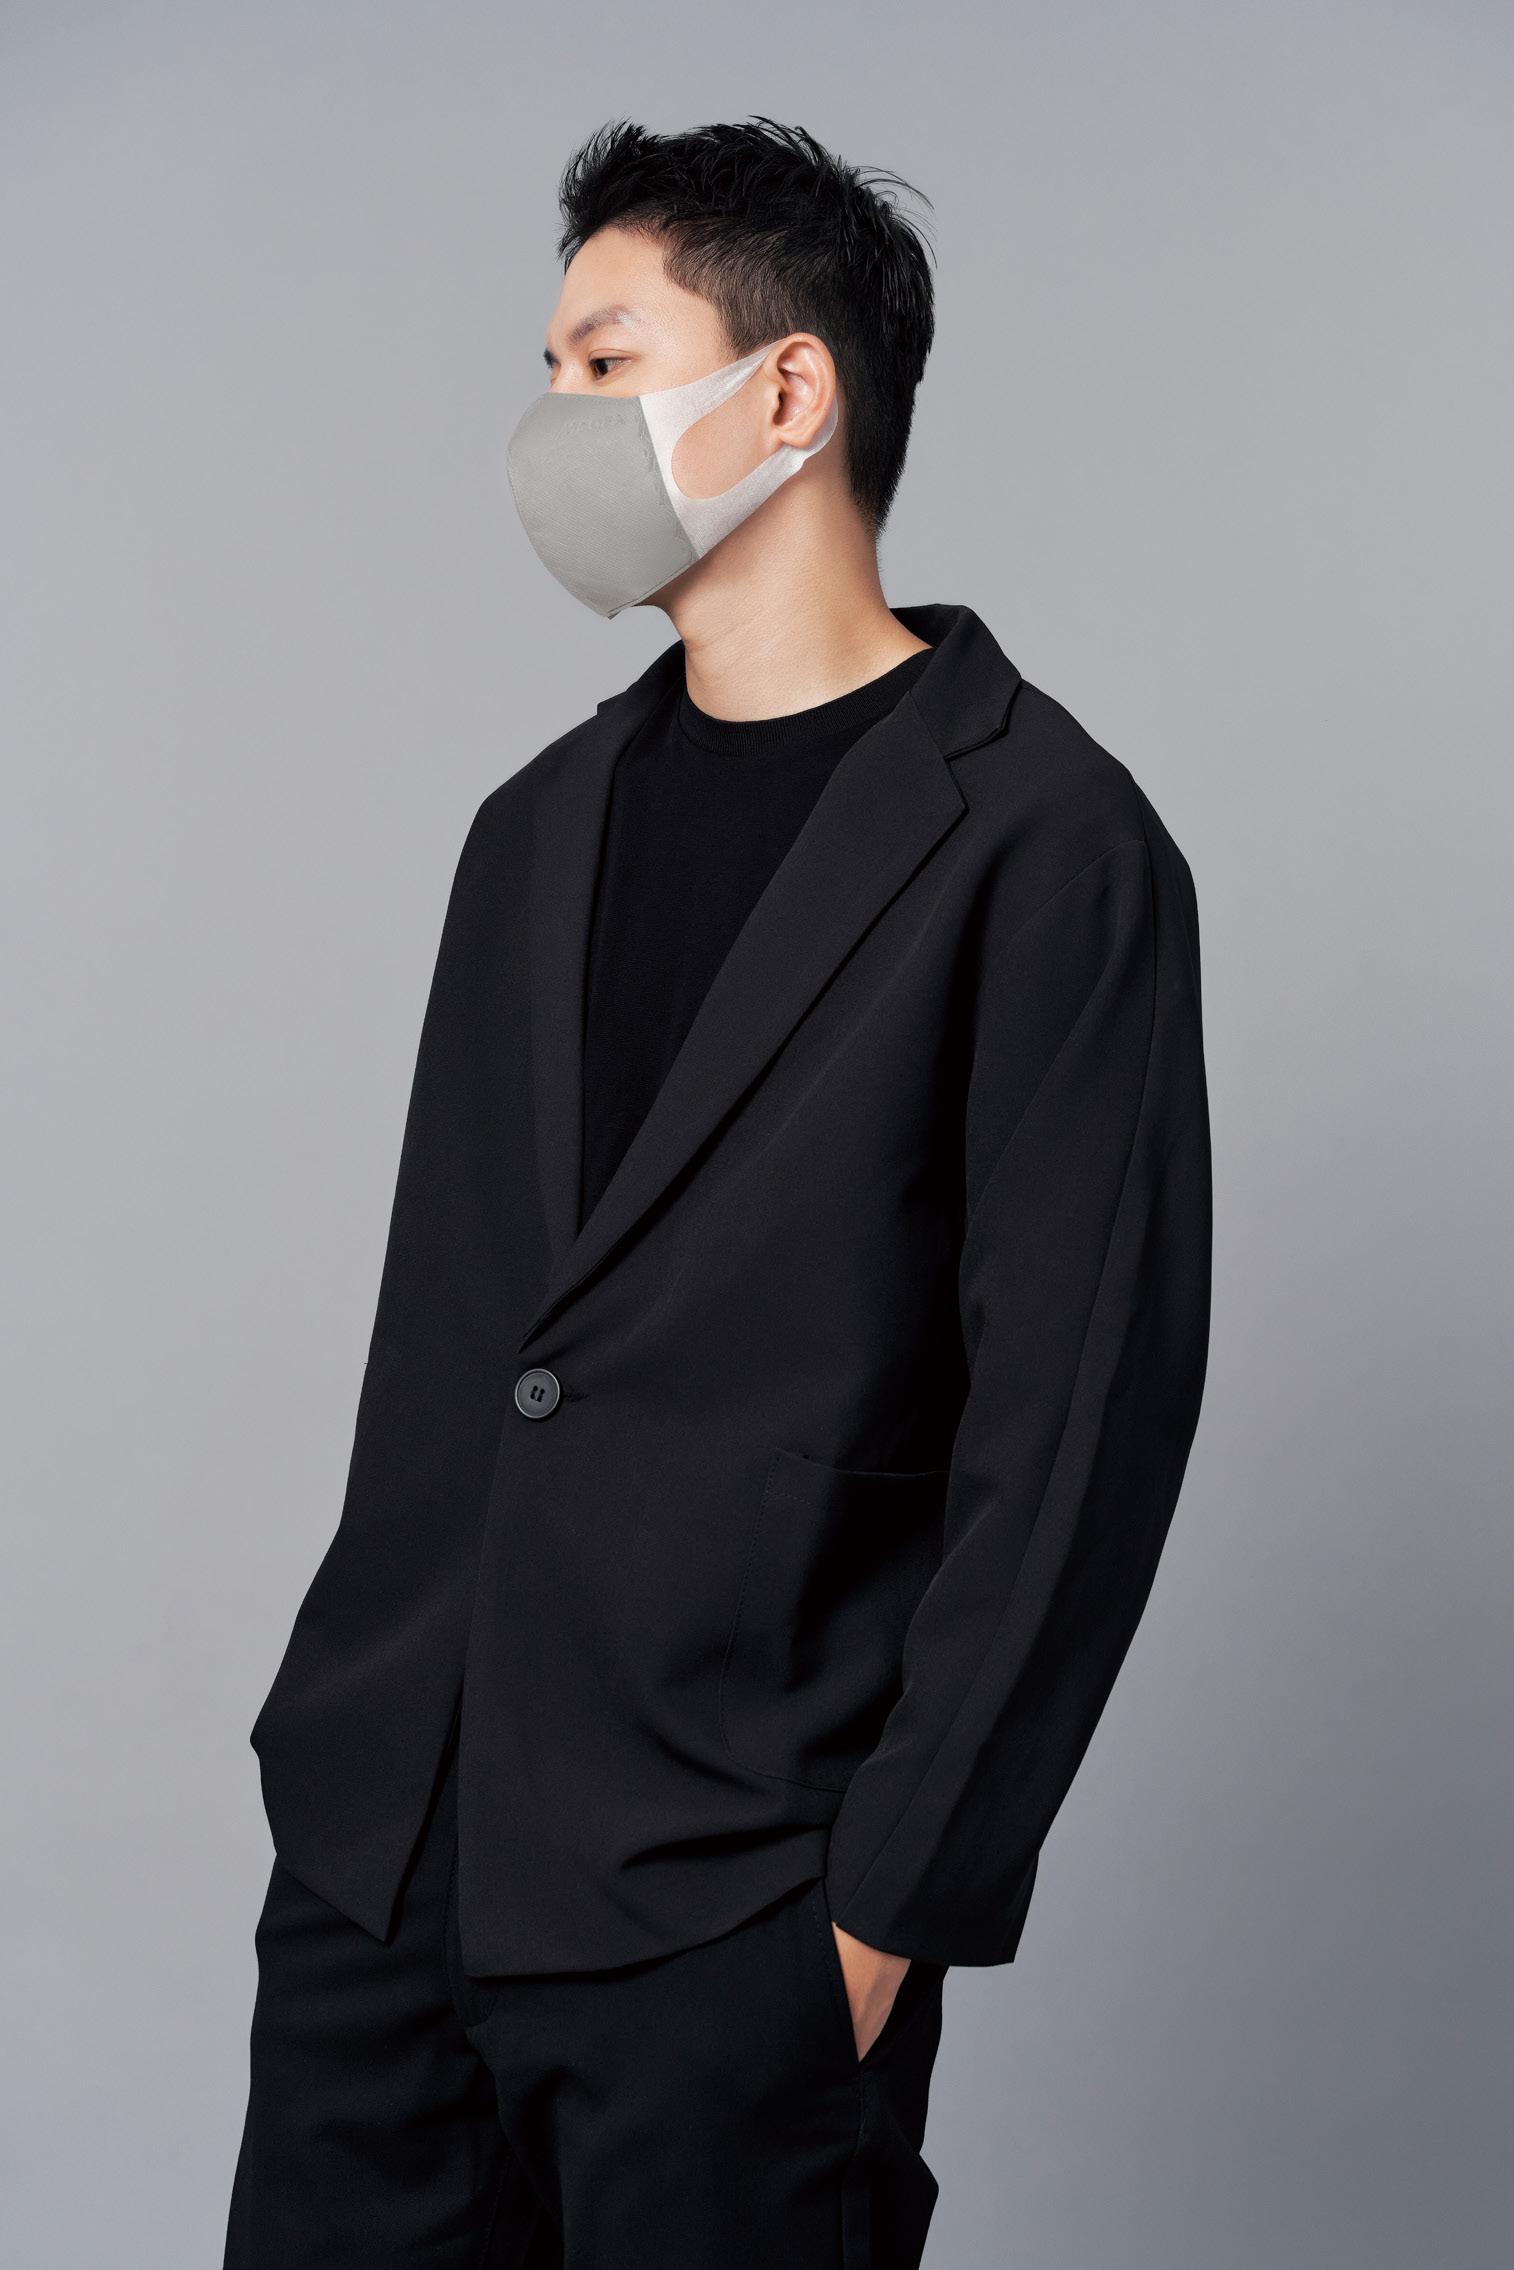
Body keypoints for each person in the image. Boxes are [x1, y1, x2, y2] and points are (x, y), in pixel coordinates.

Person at [223, 116, 1213, 2269]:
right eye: (548, 371)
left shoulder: (1045, 842)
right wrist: (347, 1775)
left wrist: (878, 1913)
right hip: (387, 1868)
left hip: (732, 1912)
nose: (549, 418)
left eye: (603, 362)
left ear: (789, 394)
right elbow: (477, 1343)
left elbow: (1076, 1427)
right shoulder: (532, 828)